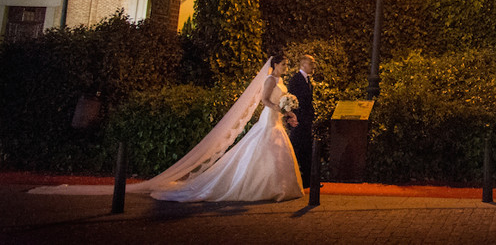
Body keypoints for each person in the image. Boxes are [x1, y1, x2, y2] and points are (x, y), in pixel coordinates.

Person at [31, 54, 303, 202]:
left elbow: (276, 101)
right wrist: (282, 108)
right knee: (262, 150)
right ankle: (263, 187)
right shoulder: (269, 80)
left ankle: (277, 187)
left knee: (273, 152)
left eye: (286, 64)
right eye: (283, 63)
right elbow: (265, 101)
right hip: (269, 119)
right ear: (275, 64)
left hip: (277, 119)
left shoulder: (280, 81)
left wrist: (288, 111)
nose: (285, 66)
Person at [286, 54, 316, 188]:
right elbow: (294, 101)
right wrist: (294, 118)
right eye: (311, 64)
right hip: (298, 121)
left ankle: (307, 180)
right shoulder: (296, 80)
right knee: (298, 149)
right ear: (304, 64)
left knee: (307, 149)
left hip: (306, 121)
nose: (313, 67)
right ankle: (297, 179)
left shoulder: (307, 80)